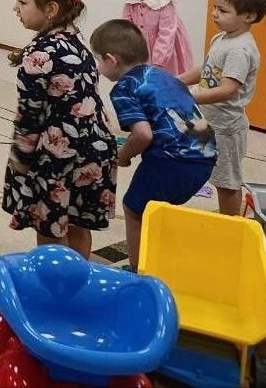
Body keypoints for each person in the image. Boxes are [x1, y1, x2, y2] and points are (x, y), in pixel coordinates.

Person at [3, 0, 117, 258]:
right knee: (78, 222)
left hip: (59, 151)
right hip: (96, 145)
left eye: (22, 2)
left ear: (50, 9)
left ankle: (56, 283)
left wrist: (20, 162)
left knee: (50, 226)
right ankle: (79, 279)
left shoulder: (38, 54)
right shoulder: (77, 40)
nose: (16, 8)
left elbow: (29, 117)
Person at [91, 19, 215, 270]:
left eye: (98, 59)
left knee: (133, 208)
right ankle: (159, 257)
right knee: (158, 209)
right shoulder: (163, 76)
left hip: (172, 160)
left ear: (111, 59)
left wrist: (121, 156)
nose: (98, 67)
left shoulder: (124, 87)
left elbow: (142, 135)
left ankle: (139, 271)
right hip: (205, 155)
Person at [179, 0, 266, 216]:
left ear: (248, 16)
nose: (214, 14)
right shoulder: (221, 38)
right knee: (189, 160)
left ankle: (230, 223)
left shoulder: (241, 49)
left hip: (225, 128)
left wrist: (191, 97)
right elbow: (207, 68)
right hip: (204, 119)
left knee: (226, 182)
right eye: (215, 7)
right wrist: (178, 81)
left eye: (223, 10)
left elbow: (228, 89)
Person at [121, 0, 194, 76]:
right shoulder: (131, 0)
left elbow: (166, 35)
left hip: (164, 52)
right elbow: (125, 27)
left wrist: (158, 62)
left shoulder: (165, 5)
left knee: (162, 78)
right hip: (140, 49)